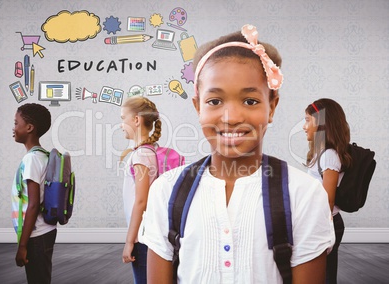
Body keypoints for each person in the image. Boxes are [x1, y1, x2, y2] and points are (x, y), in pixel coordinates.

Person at [141, 24, 334, 283]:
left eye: (250, 101)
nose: (231, 117)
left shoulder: (305, 194)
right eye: (215, 101)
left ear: (272, 107)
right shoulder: (165, 191)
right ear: (198, 107)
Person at [303, 98, 351, 284]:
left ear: (321, 122)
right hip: (323, 221)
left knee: (324, 275)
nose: (304, 126)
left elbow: (327, 200)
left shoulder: (329, 155)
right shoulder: (321, 153)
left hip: (327, 222)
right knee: (323, 272)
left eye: (308, 120)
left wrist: (315, 226)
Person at [11, 103, 56, 283]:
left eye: (16, 123)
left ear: (29, 128)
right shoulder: (43, 155)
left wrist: (22, 245)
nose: (13, 128)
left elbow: (33, 203)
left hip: (36, 234)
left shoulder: (31, 159)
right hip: (45, 230)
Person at [120, 96, 162, 284]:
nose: (121, 124)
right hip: (145, 233)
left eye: (123, 118)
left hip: (142, 237)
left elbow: (141, 201)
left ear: (136, 120)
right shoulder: (147, 151)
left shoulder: (142, 154)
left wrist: (130, 241)